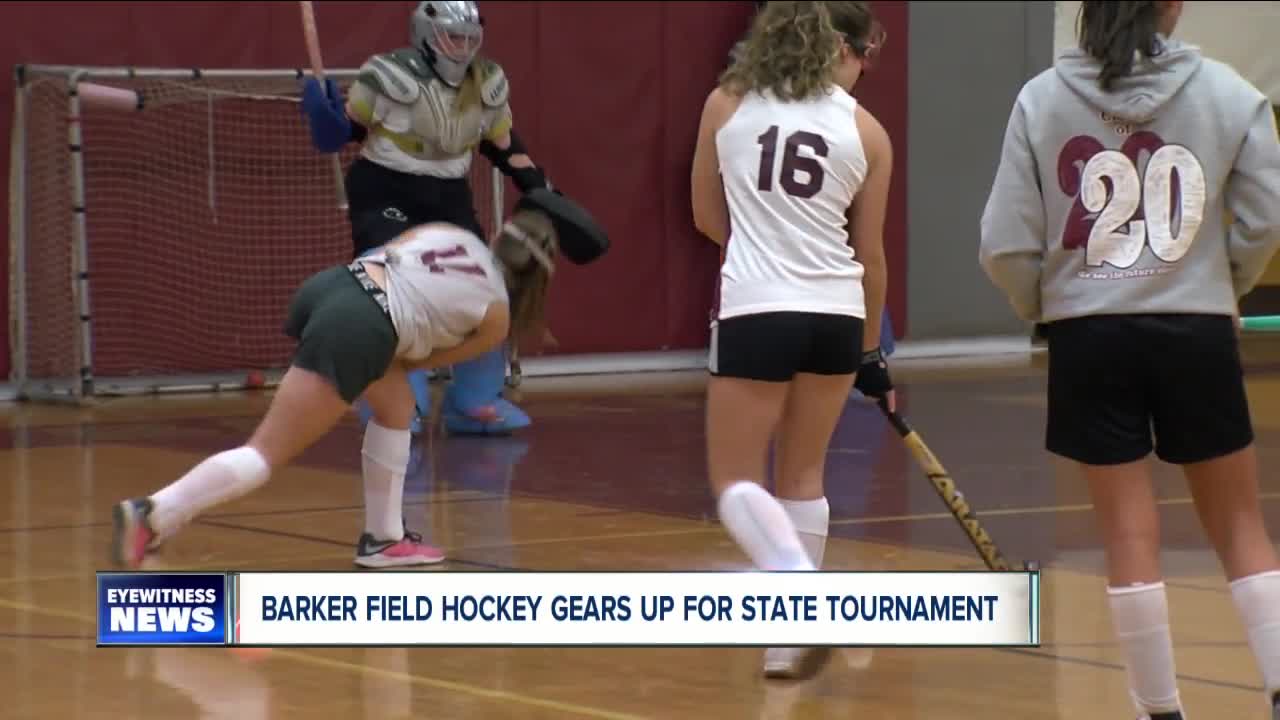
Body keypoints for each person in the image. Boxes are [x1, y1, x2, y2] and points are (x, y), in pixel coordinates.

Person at [979, 2, 1280, 718]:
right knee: (1241, 523)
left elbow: (1004, 243)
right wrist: (1219, 284)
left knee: (1126, 533)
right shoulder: (1232, 93)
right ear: (1172, 6)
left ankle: (1159, 708)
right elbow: (1266, 214)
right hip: (1196, 326)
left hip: (1091, 334)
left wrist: (1046, 305)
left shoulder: (1041, 98)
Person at [110, 189, 608, 570]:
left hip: (332, 286)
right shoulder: (495, 316)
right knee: (265, 453)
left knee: (395, 408)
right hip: (361, 326)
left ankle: (384, 538)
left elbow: (389, 263)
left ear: (500, 233)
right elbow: (416, 360)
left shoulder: (451, 234)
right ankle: (153, 512)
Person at [690, 0, 893, 680]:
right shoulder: (867, 131)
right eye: (865, 51)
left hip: (758, 308)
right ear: (840, 48)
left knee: (735, 482)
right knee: (803, 476)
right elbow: (870, 254)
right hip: (836, 313)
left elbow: (706, 216)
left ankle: (804, 606)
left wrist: (762, 244)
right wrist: (870, 349)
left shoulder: (726, 103)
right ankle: (785, 644)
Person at [301, 0, 552, 437]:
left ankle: (475, 400)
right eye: (454, 37)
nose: (463, 48)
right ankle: (399, 400)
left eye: (470, 39)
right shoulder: (386, 76)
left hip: (448, 193)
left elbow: (502, 143)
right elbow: (349, 132)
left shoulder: (488, 82)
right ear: (425, 35)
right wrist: (327, 121)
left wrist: (538, 186)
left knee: (483, 285)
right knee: (392, 287)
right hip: (384, 187)